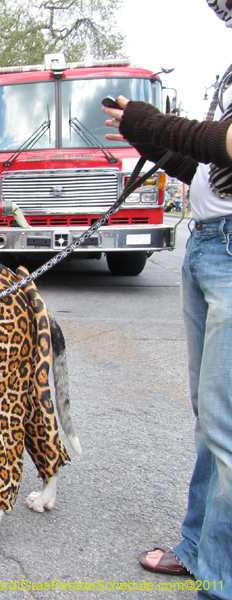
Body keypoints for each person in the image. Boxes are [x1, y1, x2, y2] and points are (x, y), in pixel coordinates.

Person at [103, 4, 232, 591]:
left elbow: (226, 141)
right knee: (212, 419)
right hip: (208, 245)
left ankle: (219, 576)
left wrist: (152, 124)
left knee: (225, 423)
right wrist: (143, 134)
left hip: (227, 252)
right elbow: (209, 163)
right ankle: (201, 548)